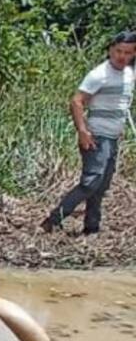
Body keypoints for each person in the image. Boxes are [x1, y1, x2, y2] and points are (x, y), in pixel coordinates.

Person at [42, 31, 136, 235]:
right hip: (96, 136)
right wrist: (82, 131)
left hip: (113, 137)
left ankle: (92, 228)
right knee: (91, 181)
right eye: (118, 51)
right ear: (111, 50)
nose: (122, 56)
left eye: (127, 52)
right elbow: (76, 101)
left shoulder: (129, 73)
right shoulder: (99, 74)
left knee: (101, 185)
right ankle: (53, 219)